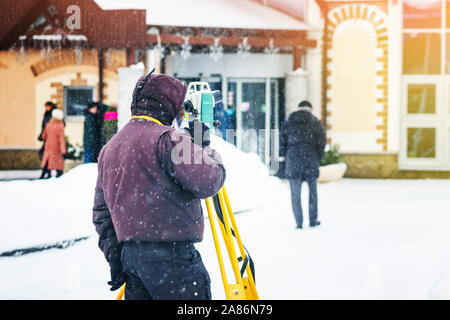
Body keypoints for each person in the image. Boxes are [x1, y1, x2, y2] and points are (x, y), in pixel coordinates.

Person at [92, 71, 226, 300]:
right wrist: (204, 148)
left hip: (131, 262)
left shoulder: (110, 148)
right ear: (169, 105)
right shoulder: (169, 139)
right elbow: (209, 180)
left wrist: (116, 256)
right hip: (173, 262)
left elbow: (101, 214)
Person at [280, 100, 326, 229]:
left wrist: (287, 157)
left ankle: (298, 222)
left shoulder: (289, 123)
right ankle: (312, 220)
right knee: (312, 193)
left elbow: (282, 143)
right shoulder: (316, 123)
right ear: (310, 110)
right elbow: (321, 144)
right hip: (311, 161)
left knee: (295, 194)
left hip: (293, 161)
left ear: (299, 109)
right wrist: (318, 158)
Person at [40, 109, 66, 178]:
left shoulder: (48, 125)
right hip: (57, 147)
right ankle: (59, 175)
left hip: (48, 146)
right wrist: (63, 151)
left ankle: (47, 174)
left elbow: (44, 136)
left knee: (48, 160)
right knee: (58, 163)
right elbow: (61, 139)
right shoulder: (60, 125)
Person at [38, 101, 57, 178]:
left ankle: (47, 172)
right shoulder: (46, 113)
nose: (46, 108)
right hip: (47, 138)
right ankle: (45, 171)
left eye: (47, 106)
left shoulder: (54, 114)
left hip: (51, 138)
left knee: (47, 156)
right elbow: (44, 125)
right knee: (44, 155)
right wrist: (42, 134)